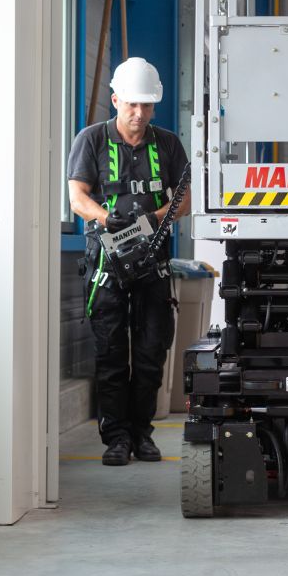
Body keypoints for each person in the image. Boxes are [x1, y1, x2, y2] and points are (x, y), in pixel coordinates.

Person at [67, 57, 191, 466]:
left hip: (153, 264)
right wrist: (107, 218)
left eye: (147, 105)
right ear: (115, 99)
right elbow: (77, 197)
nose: (139, 112)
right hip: (106, 267)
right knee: (111, 354)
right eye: (132, 104)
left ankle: (142, 435)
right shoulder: (91, 140)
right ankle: (117, 439)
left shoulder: (168, 144)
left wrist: (151, 220)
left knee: (152, 352)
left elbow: (184, 199)